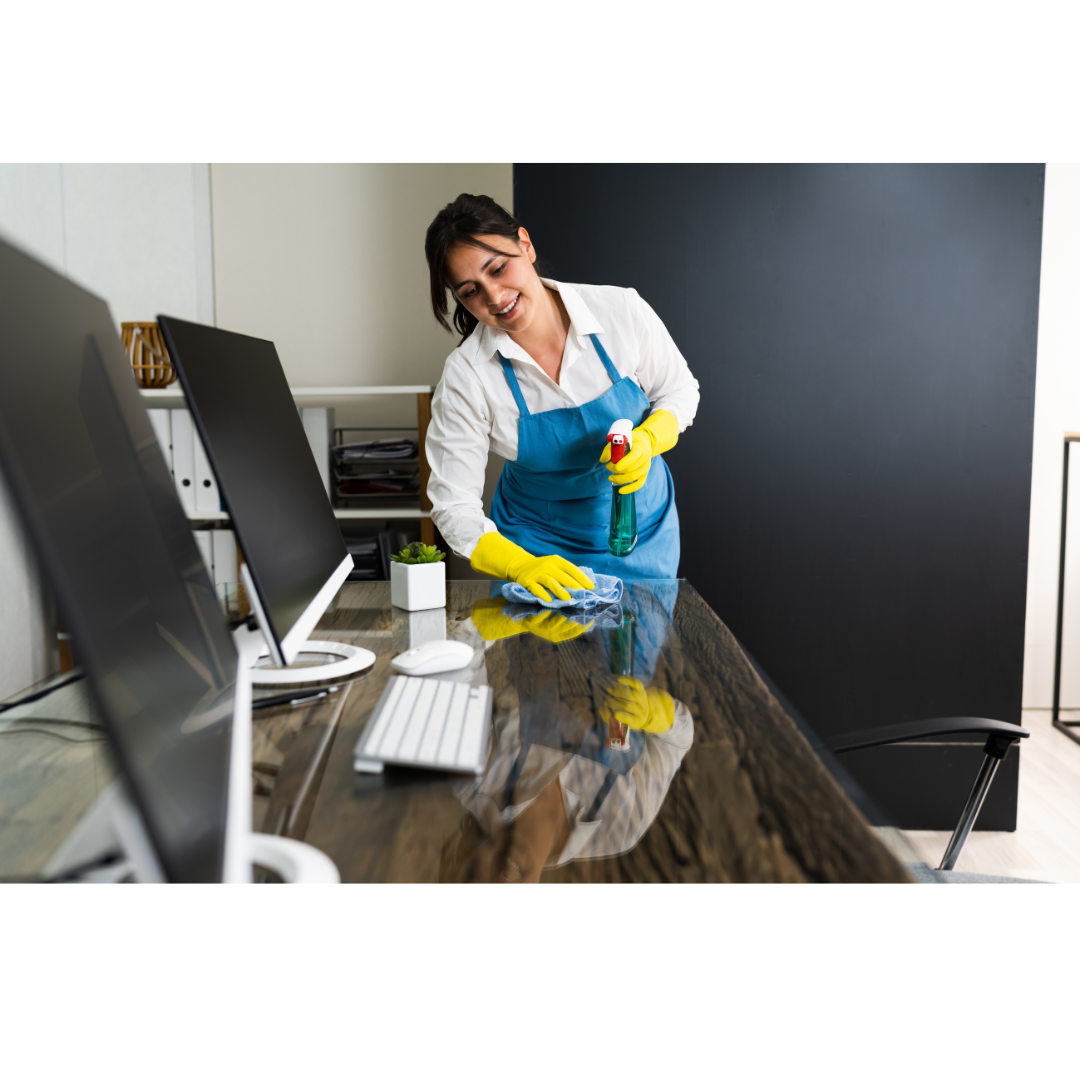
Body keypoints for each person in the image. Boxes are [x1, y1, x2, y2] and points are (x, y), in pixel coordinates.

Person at [424, 194, 699, 610]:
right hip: (537, 549)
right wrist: (520, 565)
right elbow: (452, 506)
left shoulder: (618, 311)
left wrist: (647, 440)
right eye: (471, 292)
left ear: (525, 244)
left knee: (636, 670)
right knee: (541, 670)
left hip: (641, 535)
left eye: (498, 269)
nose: (495, 297)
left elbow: (679, 391)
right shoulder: (468, 376)